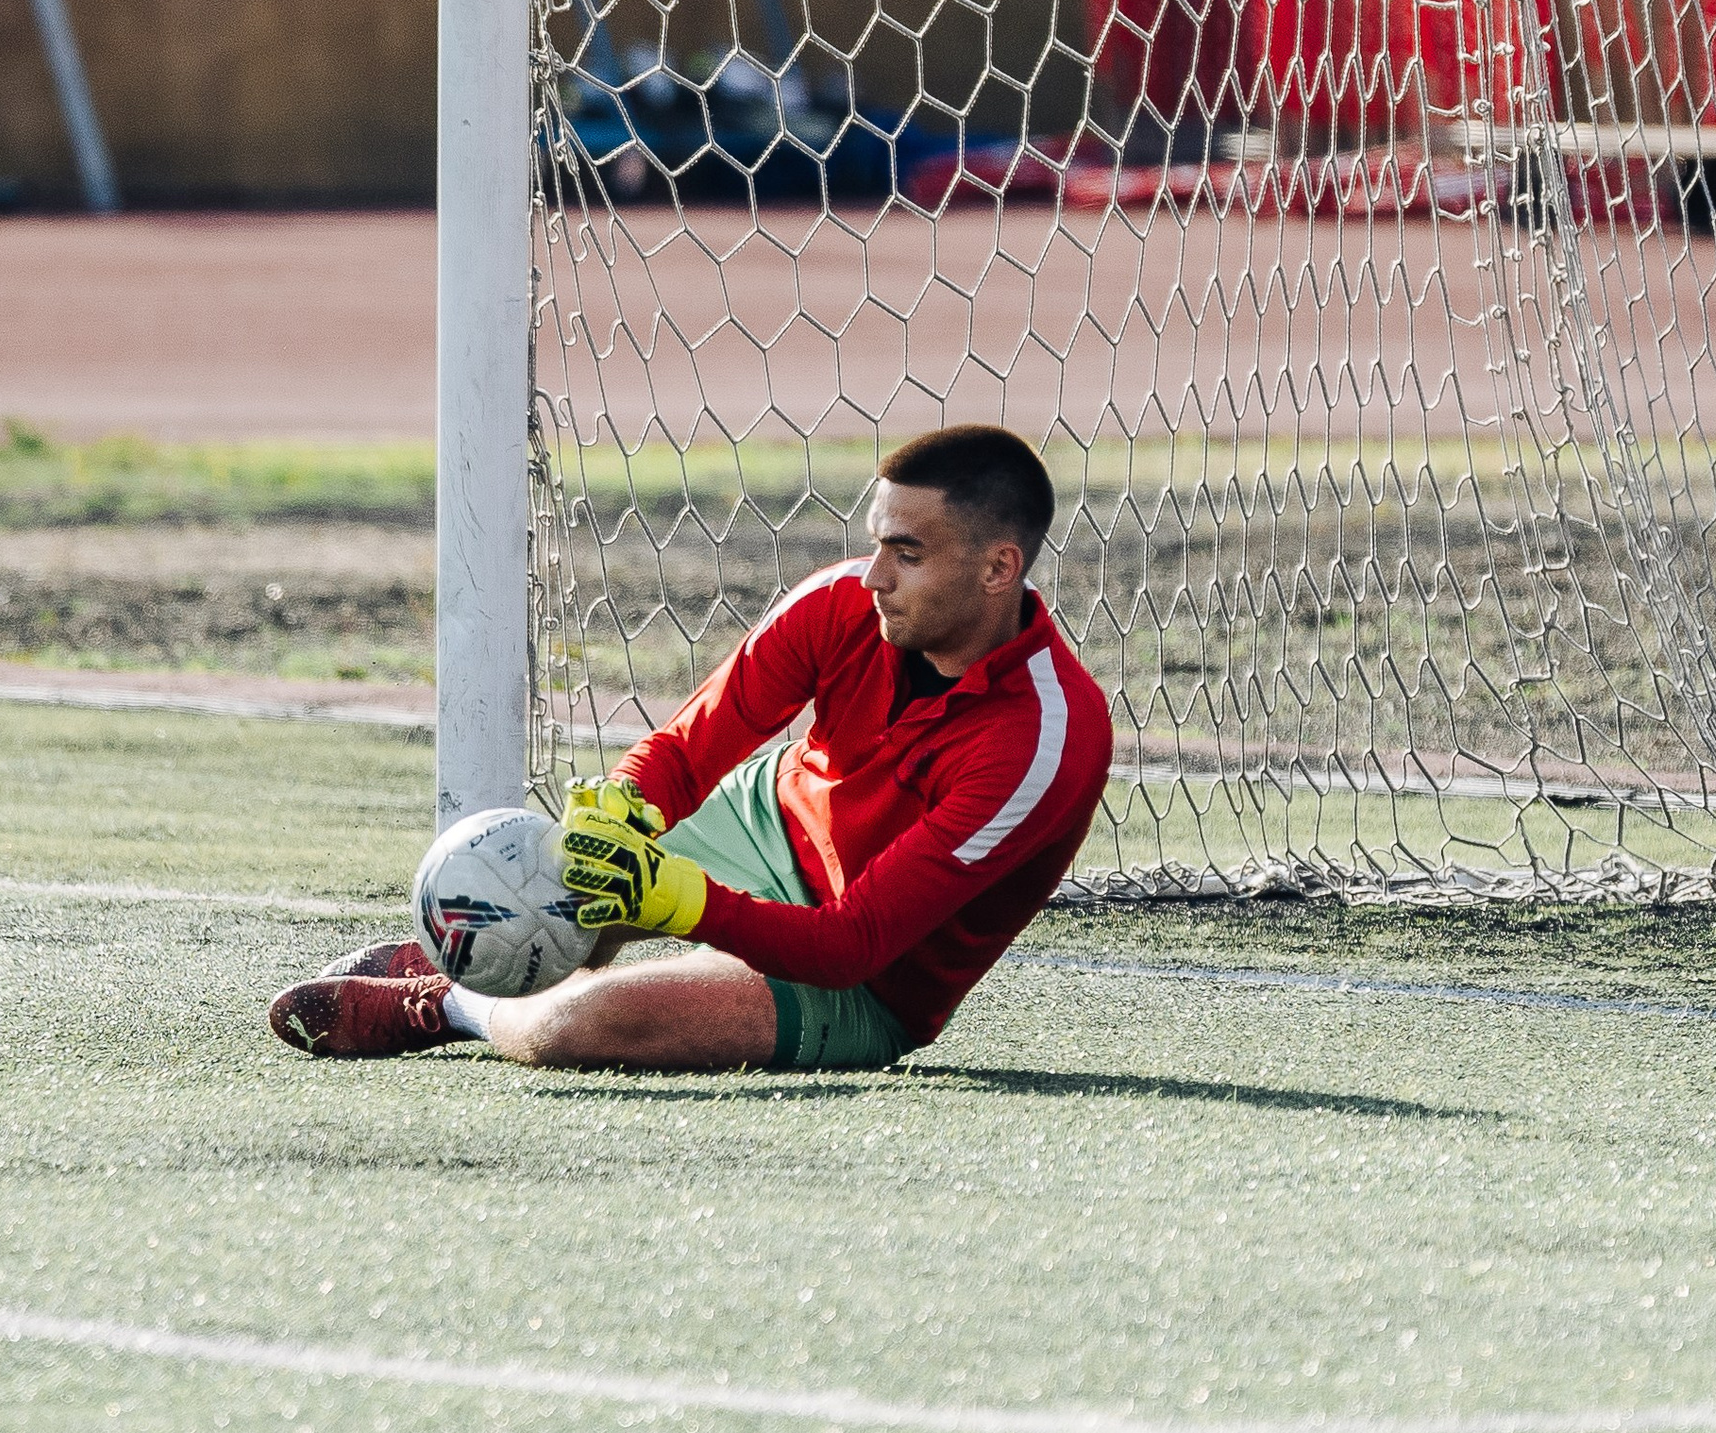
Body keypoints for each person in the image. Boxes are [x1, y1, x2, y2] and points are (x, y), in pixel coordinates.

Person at [267, 423, 1113, 1072]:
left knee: (583, 1025)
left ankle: (452, 1003)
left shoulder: (1044, 740)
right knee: (585, 866)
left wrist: (683, 902)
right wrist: (633, 804)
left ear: (999, 568)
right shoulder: (839, 603)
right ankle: (485, 949)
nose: (873, 575)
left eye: (908, 553)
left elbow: (853, 940)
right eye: (878, 540)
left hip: (867, 984)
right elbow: (688, 748)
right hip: (768, 821)